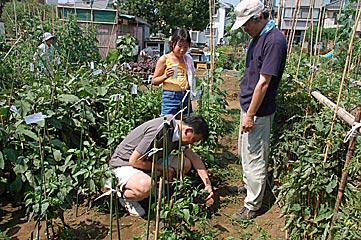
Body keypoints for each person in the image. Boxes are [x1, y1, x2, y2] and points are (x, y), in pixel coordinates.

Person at [230, 0, 287, 220]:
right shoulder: (258, 37)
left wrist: (251, 115)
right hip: (249, 107)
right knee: (245, 152)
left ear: (260, 17)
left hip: (259, 111)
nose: (244, 29)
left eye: (246, 24)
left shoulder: (274, 41)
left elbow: (264, 82)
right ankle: (248, 187)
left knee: (255, 157)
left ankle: (253, 204)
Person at [108, 115, 214, 217]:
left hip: (149, 160)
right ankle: (127, 197)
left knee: (184, 164)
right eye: (194, 140)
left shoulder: (178, 131)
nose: (193, 143)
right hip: (124, 164)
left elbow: (193, 157)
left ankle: (149, 186)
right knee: (145, 186)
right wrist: (163, 169)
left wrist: (207, 184)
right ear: (188, 131)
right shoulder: (160, 129)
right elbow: (134, 161)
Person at [152, 29, 196, 116]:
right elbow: (154, 81)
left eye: (186, 47)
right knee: (168, 123)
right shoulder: (165, 59)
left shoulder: (187, 59)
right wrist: (165, 76)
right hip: (171, 97)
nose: (182, 50)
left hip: (185, 96)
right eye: (179, 46)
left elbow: (190, 78)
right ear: (172, 44)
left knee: (186, 122)